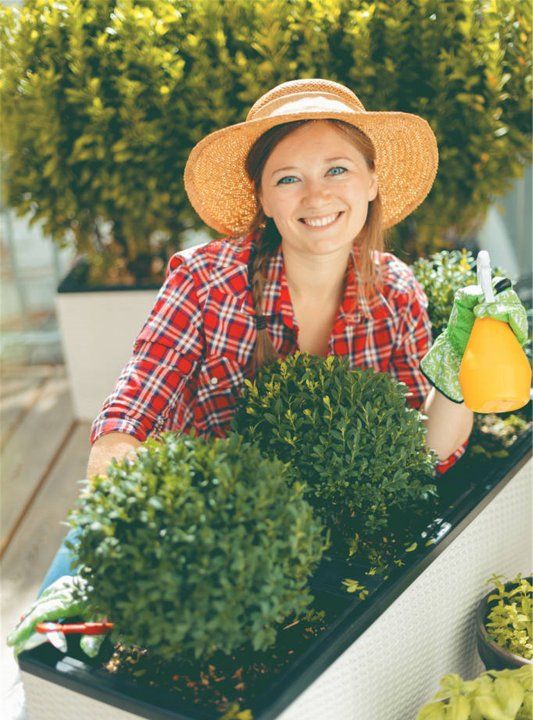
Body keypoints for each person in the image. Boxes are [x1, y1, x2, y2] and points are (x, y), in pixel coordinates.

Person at [8, 78, 529, 656]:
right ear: (263, 198)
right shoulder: (205, 279)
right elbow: (133, 409)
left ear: (372, 181)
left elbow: (422, 455)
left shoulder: (395, 293)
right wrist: (131, 529)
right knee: (43, 658)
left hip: (326, 547)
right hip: (203, 530)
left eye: (337, 170)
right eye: (288, 178)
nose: (316, 196)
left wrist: (457, 362)